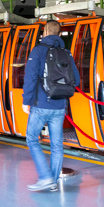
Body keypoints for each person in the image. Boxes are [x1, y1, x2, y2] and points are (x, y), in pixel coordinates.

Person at [22, 20, 80, 192]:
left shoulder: (38, 51)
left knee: (32, 138)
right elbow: (75, 80)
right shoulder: (66, 53)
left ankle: (45, 177)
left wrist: (26, 101)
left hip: (41, 104)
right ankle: (53, 182)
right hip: (60, 105)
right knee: (57, 146)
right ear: (60, 34)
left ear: (45, 32)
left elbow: (30, 77)